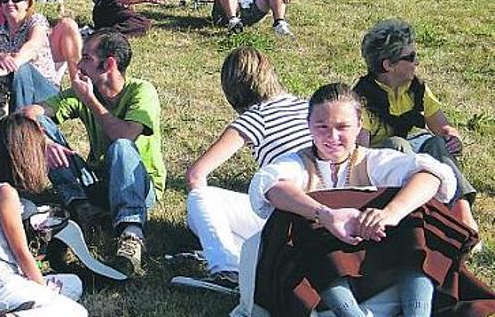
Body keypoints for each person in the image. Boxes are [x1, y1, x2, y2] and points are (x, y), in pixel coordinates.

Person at [242, 83, 460, 317]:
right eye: (322, 127)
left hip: (374, 263)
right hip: (316, 275)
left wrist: (390, 214)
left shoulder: (372, 160)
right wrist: (325, 215)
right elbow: (271, 185)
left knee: (418, 213)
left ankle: (417, 313)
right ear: (309, 127)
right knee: (295, 218)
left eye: (342, 127)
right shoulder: (298, 162)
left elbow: (432, 175)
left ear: (358, 127)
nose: (332, 137)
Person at [23, 29, 164, 276]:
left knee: (121, 147)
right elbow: (28, 113)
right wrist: (44, 141)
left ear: (108, 64)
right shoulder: (83, 91)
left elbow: (125, 135)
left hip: (138, 186)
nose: (78, 64)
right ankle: (84, 210)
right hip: (98, 181)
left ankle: (131, 234)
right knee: (40, 126)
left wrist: (90, 101)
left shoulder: (142, 91)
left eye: (86, 58)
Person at [184, 47, 311, 294]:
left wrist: (199, 218)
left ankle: (228, 270)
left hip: (288, 217)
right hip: (322, 213)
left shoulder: (255, 118)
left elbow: (196, 175)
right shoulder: (307, 107)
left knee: (201, 200)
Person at [0, 114, 88, 317]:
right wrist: (41, 286)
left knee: (73, 284)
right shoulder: (5, 195)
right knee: (76, 312)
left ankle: (27, 307)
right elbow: (21, 251)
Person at [354, 19, 479, 234]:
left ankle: (462, 213)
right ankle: (415, 216)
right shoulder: (362, 99)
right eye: (410, 58)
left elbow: (443, 126)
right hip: (385, 163)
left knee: (437, 144)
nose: (416, 63)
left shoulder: (417, 88)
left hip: (417, 151)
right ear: (388, 65)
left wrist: (452, 136)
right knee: (397, 144)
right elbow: (359, 154)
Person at [0, 0, 62, 111]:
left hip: (45, 90)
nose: (9, 3)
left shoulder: (36, 21)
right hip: (10, 88)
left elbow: (32, 46)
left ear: (27, 3)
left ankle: (17, 121)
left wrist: (10, 66)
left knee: (22, 68)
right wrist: (0, 57)